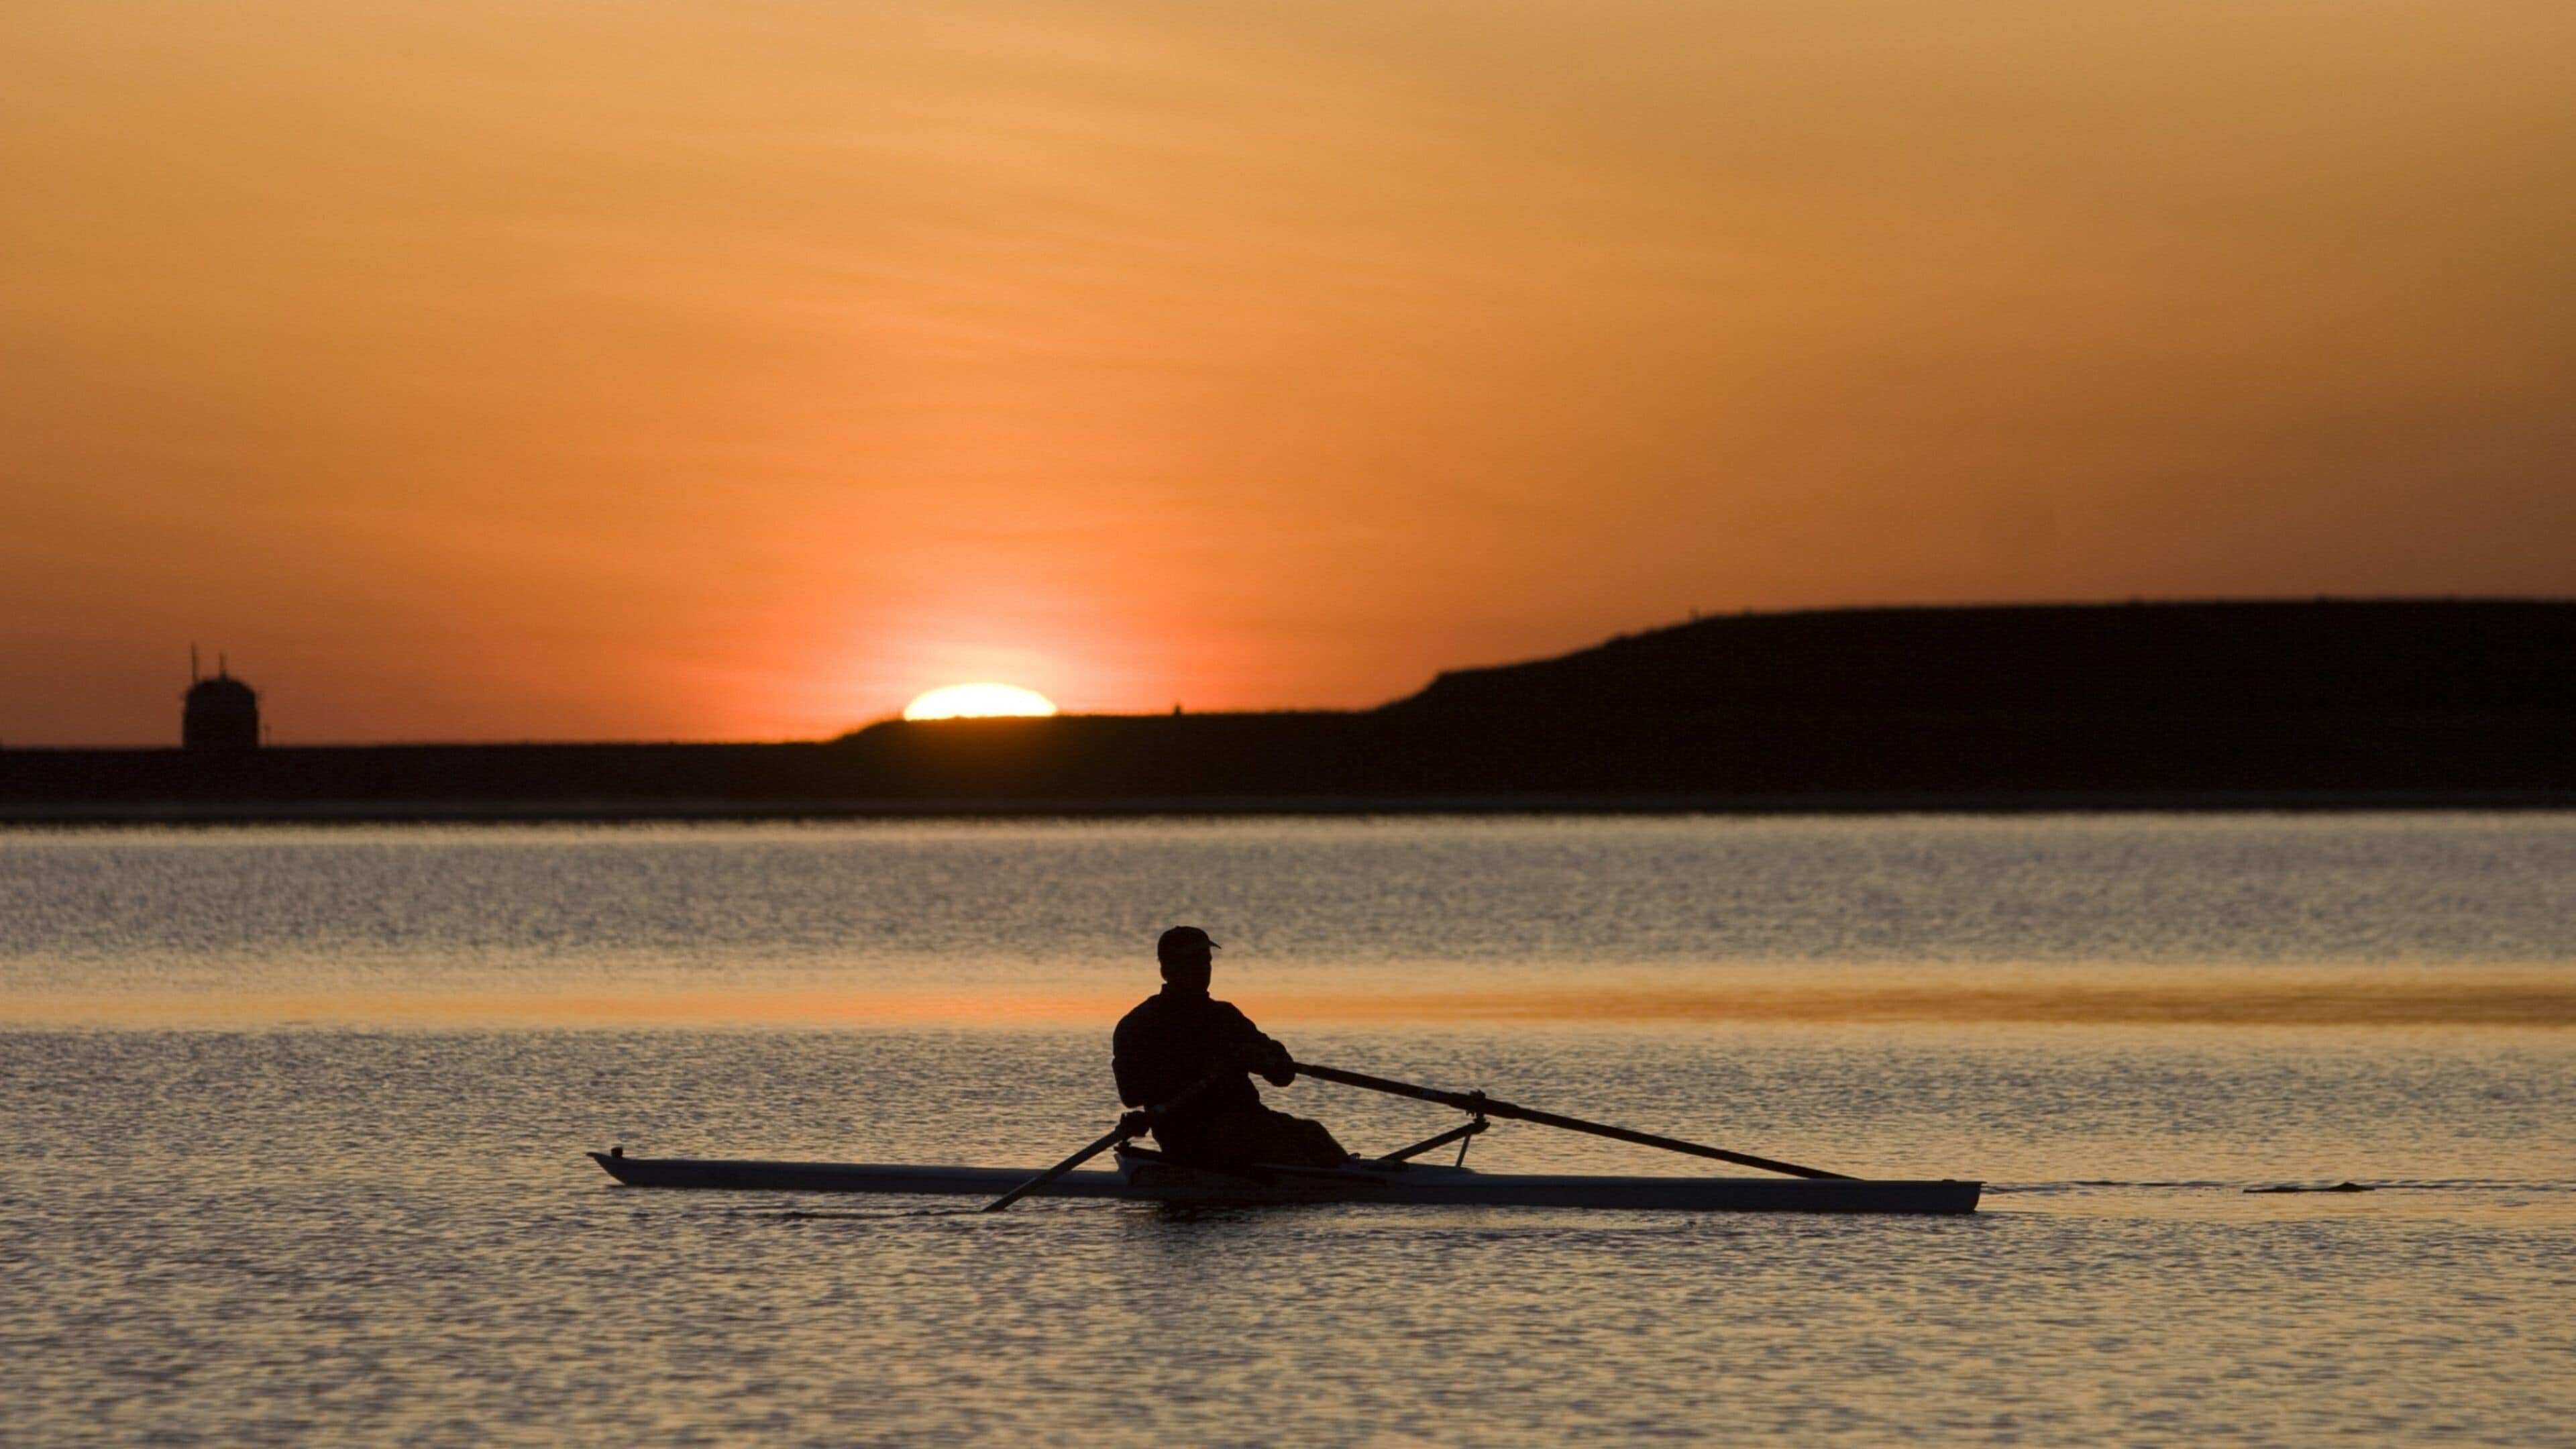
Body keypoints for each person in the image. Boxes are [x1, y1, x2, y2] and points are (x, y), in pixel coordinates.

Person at [1112, 926, 1350, 1168]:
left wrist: (1268, 1060)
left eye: (1206, 961)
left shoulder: (1225, 1016)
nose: (1203, 969)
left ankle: (1351, 1176)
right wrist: (1204, 1067)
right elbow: (1130, 1094)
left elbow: (1284, 1076)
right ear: (1167, 969)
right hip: (1191, 1134)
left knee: (1312, 1132)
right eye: (1193, 961)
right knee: (1266, 1136)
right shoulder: (1140, 1025)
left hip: (1252, 1121)